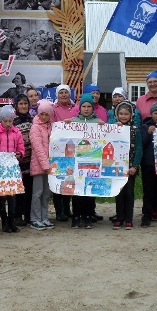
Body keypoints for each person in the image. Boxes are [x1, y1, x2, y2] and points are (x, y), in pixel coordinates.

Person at [68, 94, 106, 229]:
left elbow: (107, 136)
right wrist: (65, 125)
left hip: (92, 162)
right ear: (79, 107)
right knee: (77, 190)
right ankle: (76, 216)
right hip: (76, 162)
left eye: (89, 106)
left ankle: (88, 216)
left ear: (93, 108)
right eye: (83, 106)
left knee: (90, 190)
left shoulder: (98, 122)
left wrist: (104, 127)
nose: (86, 109)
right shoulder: (73, 121)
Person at [0, 105, 25, 233]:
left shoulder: (16, 132)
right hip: (0, 171)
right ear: (1, 120)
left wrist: (19, 154)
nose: (8, 124)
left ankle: (12, 221)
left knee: (12, 198)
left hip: (13, 170)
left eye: (10, 121)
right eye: (5, 121)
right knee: (2, 198)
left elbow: (21, 149)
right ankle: (4, 222)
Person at [111, 101, 142, 230]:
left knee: (129, 193)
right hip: (116, 167)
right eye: (121, 114)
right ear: (117, 115)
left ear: (131, 115)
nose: (123, 116)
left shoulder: (135, 130)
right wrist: (113, 128)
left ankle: (129, 219)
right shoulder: (113, 128)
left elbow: (139, 149)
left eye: (126, 114)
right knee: (119, 193)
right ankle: (119, 218)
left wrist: (134, 166)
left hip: (130, 168)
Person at [29, 99, 55, 230]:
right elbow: (38, 149)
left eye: (47, 114)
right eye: (42, 114)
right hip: (39, 167)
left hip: (50, 167)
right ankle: (35, 218)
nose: (44, 116)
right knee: (37, 193)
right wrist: (46, 165)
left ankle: (44, 217)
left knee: (46, 194)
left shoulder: (52, 126)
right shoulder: (35, 128)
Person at [51, 84, 74, 221]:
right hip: (58, 148)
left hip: (72, 148)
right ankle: (59, 211)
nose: (64, 95)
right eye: (61, 93)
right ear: (57, 95)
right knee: (58, 179)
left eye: (66, 92)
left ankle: (67, 208)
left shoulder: (74, 108)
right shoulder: (54, 109)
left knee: (69, 178)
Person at [12, 93, 33, 226]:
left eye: (25, 103)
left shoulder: (33, 120)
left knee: (29, 190)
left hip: (31, 161)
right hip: (18, 162)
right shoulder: (13, 122)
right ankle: (17, 215)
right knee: (18, 191)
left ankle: (28, 214)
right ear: (16, 106)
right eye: (21, 104)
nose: (23, 106)